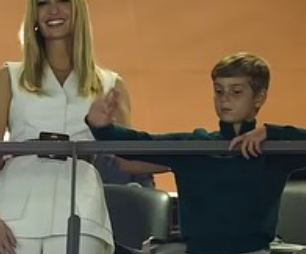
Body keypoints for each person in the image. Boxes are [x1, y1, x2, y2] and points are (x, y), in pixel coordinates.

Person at [0, 0, 166, 254]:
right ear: (33, 14)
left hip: (81, 207)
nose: (53, 10)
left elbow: (126, 160)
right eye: (42, 3)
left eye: (63, 0)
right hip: (14, 205)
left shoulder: (110, 85)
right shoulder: (8, 77)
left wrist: (192, 154)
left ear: (78, 9)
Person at [86, 52, 306, 254]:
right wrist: (101, 128)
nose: (225, 99)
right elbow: (139, 143)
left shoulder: (273, 150)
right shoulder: (195, 146)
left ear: (259, 98)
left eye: (236, 91)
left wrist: (271, 132)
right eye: (219, 91)